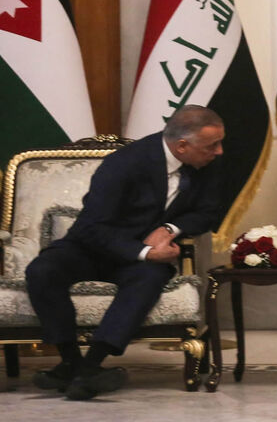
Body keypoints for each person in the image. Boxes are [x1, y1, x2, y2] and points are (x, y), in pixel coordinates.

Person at [25, 105, 226, 400]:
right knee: (41, 270)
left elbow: (208, 212)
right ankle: (70, 362)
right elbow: (92, 228)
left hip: (137, 261)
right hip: (89, 248)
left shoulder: (206, 163)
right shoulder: (124, 164)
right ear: (183, 146)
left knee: (147, 280)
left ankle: (91, 366)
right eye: (213, 145)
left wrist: (171, 228)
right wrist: (144, 252)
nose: (219, 151)